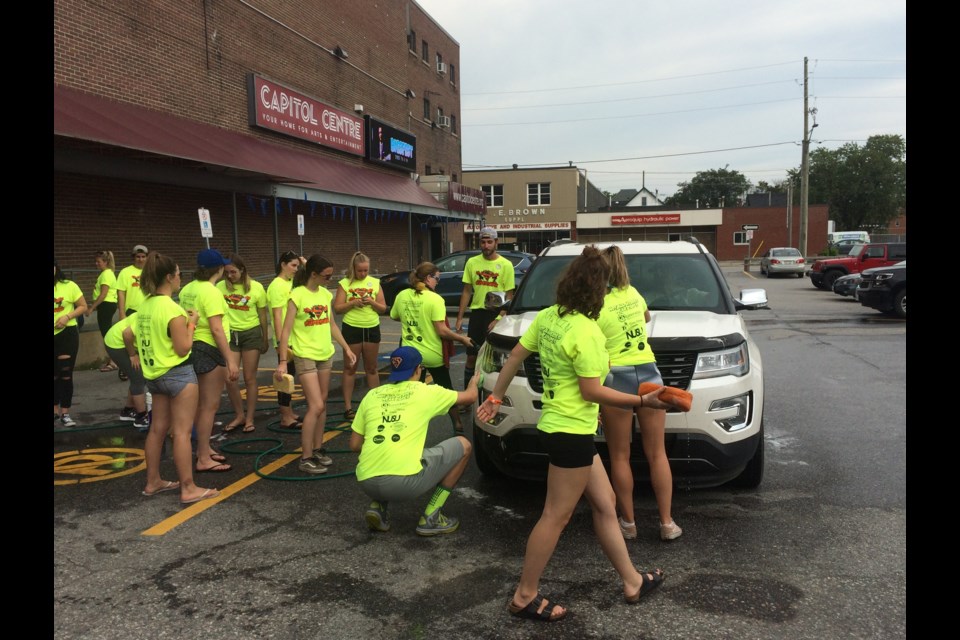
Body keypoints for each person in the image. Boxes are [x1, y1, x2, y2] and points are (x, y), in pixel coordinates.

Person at [476, 245, 673, 622]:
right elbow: (592, 391)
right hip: (569, 432)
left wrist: (497, 396)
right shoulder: (588, 332)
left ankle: (632, 581)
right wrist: (644, 402)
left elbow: (516, 355)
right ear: (599, 292)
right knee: (555, 516)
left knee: (604, 503)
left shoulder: (550, 317)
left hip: (563, 427)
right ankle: (524, 595)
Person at [597, 246, 682, 542]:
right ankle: (667, 523)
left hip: (615, 376)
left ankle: (629, 524)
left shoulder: (596, 303)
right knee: (657, 453)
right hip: (648, 374)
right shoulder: (632, 293)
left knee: (620, 456)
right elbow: (645, 318)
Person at [350, 346, 479, 536]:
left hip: (366, 482)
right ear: (418, 370)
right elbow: (470, 397)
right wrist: (474, 381)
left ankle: (378, 506)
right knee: (464, 445)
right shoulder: (426, 392)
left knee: (389, 449)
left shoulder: (372, 395)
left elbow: (354, 445)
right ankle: (431, 517)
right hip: (403, 485)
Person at [124, 251, 218, 504]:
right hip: (178, 375)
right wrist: (192, 323)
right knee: (182, 433)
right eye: (178, 274)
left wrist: (134, 355)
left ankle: (153, 481)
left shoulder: (145, 305)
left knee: (156, 430)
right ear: (169, 277)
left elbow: (127, 333)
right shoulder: (172, 309)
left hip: (154, 376)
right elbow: (183, 348)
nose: (180, 279)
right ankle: (188, 487)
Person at [275, 254, 357, 475]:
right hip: (305, 355)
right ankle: (306, 457)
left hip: (325, 353)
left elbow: (331, 324)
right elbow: (285, 330)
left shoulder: (324, 294)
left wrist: (346, 348)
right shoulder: (297, 295)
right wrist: (283, 361)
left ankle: (318, 448)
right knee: (316, 406)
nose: (329, 280)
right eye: (326, 276)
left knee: (323, 403)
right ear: (313, 274)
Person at [390, 262, 474, 432]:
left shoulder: (402, 295)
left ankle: (408, 428)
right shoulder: (435, 299)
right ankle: (457, 424)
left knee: (409, 394)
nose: (438, 282)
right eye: (437, 279)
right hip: (433, 355)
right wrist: (462, 339)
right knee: (447, 391)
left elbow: (394, 316)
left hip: (411, 356)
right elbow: (442, 330)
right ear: (428, 278)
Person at [178, 249, 239, 473]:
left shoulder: (188, 288)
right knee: (209, 405)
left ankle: (204, 448)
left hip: (192, 345)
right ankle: (203, 456)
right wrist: (230, 360)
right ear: (220, 269)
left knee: (201, 404)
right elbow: (216, 328)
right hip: (209, 348)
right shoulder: (210, 292)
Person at [455, 226, 515, 392]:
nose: (486, 245)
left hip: (497, 316)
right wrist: (460, 317)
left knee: (495, 360)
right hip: (477, 315)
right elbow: (467, 291)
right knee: (471, 357)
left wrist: (498, 319)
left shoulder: (506, 265)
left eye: (490, 242)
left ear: (496, 242)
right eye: (483, 242)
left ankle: (494, 395)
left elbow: (509, 295)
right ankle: (468, 397)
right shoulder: (472, 262)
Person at [217, 253, 269, 434]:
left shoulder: (256, 287)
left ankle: (249, 418)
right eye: (226, 272)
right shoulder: (220, 287)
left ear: (242, 270)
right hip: (230, 334)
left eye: (233, 272)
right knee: (230, 378)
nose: (229, 275)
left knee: (249, 377)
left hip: (251, 333)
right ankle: (239, 414)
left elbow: (263, 314)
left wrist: (264, 338)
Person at [334, 251, 387, 420]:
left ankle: (375, 404)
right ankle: (348, 407)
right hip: (352, 327)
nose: (363, 274)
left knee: (371, 368)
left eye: (366, 270)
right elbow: (337, 308)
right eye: (360, 271)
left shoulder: (375, 282)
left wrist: (371, 301)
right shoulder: (344, 283)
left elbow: (383, 308)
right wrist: (353, 303)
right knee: (350, 368)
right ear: (353, 269)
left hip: (371, 327)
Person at [267, 251, 305, 429]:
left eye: (297, 266)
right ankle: (285, 417)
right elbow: (276, 316)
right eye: (293, 265)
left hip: (293, 337)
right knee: (285, 377)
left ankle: (289, 412)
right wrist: (281, 343)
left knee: (291, 377)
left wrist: (305, 265)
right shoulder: (277, 285)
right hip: (285, 339)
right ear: (283, 264)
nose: (296, 269)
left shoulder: (291, 283)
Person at [54, 260, 88, 427]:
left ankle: (65, 413)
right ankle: (54, 411)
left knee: (65, 373)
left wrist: (67, 317)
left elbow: (82, 306)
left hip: (66, 334)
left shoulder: (69, 285)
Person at [103, 314, 150, 430]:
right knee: (138, 378)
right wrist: (132, 355)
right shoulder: (150, 314)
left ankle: (128, 410)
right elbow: (127, 333)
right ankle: (141, 416)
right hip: (117, 342)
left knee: (138, 377)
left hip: (123, 340)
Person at [85, 249, 120, 372]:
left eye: (98, 262)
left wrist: (91, 308)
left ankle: (114, 361)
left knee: (107, 335)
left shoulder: (106, 274)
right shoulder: (106, 274)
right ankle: (113, 360)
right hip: (106, 305)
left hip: (106, 305)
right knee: (107, 333)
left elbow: (103, 294)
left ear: (105, 262)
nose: (96, 264)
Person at [116, 244, 148, 319]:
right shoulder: (125, 272)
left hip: (148, 310)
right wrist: (121, 313)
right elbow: (121, 294)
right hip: (132, 311)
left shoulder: (151, 271)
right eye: (138, 257)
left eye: (143, 257)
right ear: (133, 257)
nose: (141, 259)